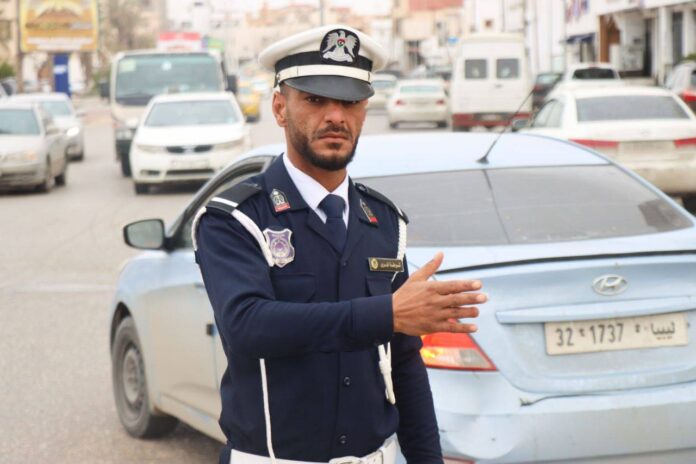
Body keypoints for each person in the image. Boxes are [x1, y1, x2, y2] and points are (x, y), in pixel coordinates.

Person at [194, 25, 486, 464]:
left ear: (365, 110)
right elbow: (247, 325)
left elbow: (404, 363)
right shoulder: (236, 217)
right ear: (280, 108)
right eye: (315, 100)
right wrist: (386, 314)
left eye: (349, 102)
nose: (335, 116)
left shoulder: (384, 221)